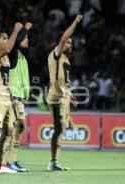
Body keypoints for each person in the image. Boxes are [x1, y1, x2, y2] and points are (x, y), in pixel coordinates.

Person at [0, 22, 24, 174]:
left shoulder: (6, 59)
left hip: (7, 95)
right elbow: (8, 48)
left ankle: (0, 164)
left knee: (10, 129)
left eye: (7, 38)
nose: (6, 41)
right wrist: (16, 30)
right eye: (4, 38)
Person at [47, 14, 82, 171]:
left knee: (61, 128)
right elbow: (63, 38)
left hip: (63, 97)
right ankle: (52, 161)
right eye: (68, 42)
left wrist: (69, 94)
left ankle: (55, 161)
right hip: (55, 97)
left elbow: (63, 80)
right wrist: (75, 22)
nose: (70, 45)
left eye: (71, 43)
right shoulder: (56, 54)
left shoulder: (66, 60)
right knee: (59, 127)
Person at [6, 22, 33, 172]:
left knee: (20, 126)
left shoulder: (23, 56)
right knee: (10, 129)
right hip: (11, 96)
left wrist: (26, 31)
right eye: (25, 38)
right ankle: (5, 161)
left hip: (19, 97)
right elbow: (15, 42)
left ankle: (13, 160)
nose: (27, 40)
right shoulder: (13, 54)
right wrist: (22, 30)